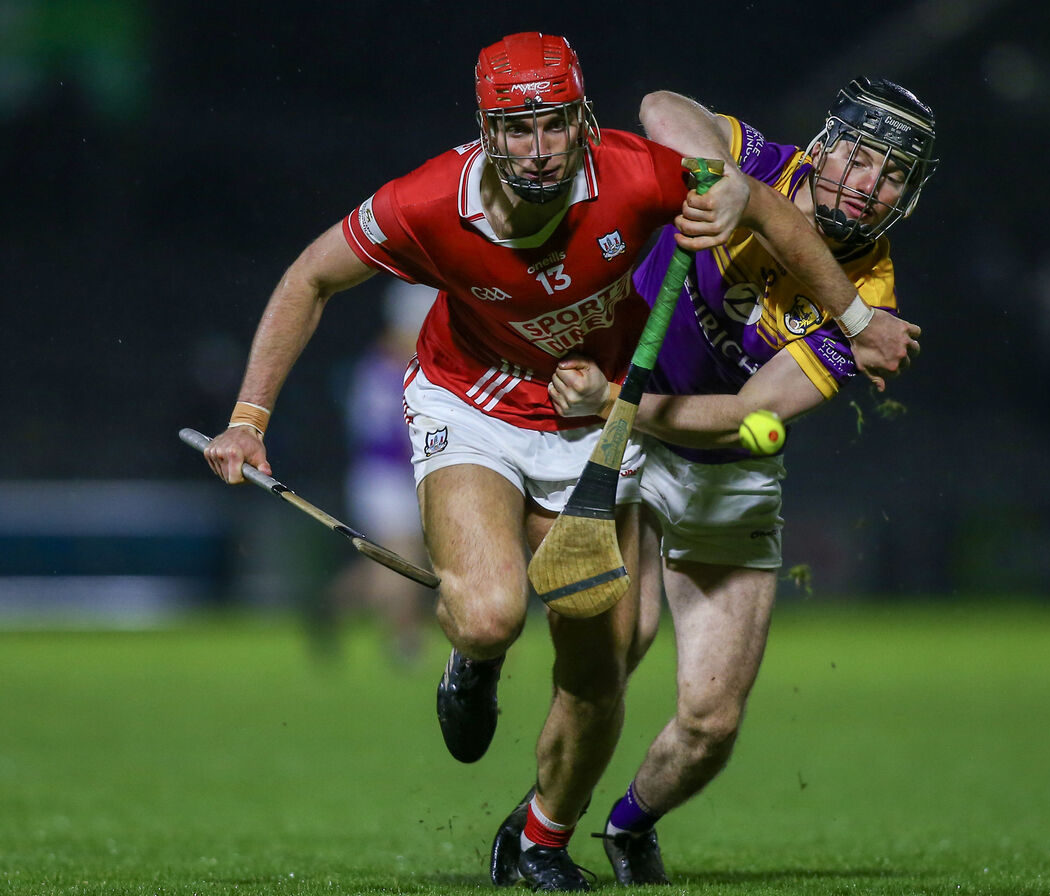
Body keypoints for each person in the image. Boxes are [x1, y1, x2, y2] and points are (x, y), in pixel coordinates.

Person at [202, 30, 913, 890]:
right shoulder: (426, 201)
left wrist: (852, 312)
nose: (537, 150)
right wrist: (249, 416)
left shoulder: (636, 178)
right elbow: (309, 277)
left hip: (606, 421)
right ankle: (474, 659)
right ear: (484, 130)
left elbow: (755, 374)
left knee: (602, 664)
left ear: (581, 120)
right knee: (493, 614)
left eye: (553, 126)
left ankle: (542, 841)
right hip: (475, 402)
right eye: (515, 128)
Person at [516, 77, 938, 885]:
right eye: (858, 154)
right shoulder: (761, 162)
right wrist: (721, 178)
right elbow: (659, 107)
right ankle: (539, 826)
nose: (864, 180)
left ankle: (629, 824)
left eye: (889, 174)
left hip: (720, 457)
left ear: (905, 199)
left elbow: (749, 408)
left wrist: (621, 406)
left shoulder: (871, 303)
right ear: (824, 145)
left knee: (711, 722)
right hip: (625, 435)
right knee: (620, 645)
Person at [326, 280, 437, 665]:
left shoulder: (398, 364)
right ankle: (404, 642)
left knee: (396, 560)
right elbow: (389, 431)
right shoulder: (386, 368)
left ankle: (333, 604)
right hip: (384, 475)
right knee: (403, 559)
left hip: (405, 475)